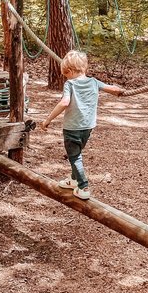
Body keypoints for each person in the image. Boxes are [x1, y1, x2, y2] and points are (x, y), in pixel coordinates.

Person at [40, 50, 123, 199]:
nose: (66, 76)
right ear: (84, 68)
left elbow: (64, 102)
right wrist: (119, 91)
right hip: (88, 127)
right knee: (76, 153)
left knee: (75, 157)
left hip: (72, 127)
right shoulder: (94, 82)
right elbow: (113, 89)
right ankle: (73, 180)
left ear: (70, 71)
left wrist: (48, 120)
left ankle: (83, 187)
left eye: (66, 74)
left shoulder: (70, 84)